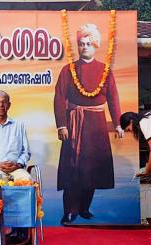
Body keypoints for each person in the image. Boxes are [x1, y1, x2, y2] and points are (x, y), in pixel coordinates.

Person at [54, 24, 123, 225]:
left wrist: (118, 124)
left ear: (95, 46)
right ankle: (69, 211)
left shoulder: (105, 71)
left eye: (88, 44)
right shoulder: (68, 70)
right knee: (72, 169)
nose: (84, 47)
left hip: (96, 126)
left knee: (92, 169)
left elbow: (113, 99)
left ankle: (84, 208)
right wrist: (62, 125)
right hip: (74, 123)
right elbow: (59, 98)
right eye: (81, 44)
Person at [120, 112, 151, 176]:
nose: (131, 131)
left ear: (131, 122)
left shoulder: (143, 123)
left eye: (129, 129)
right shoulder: (146, 115)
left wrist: (147, 171)